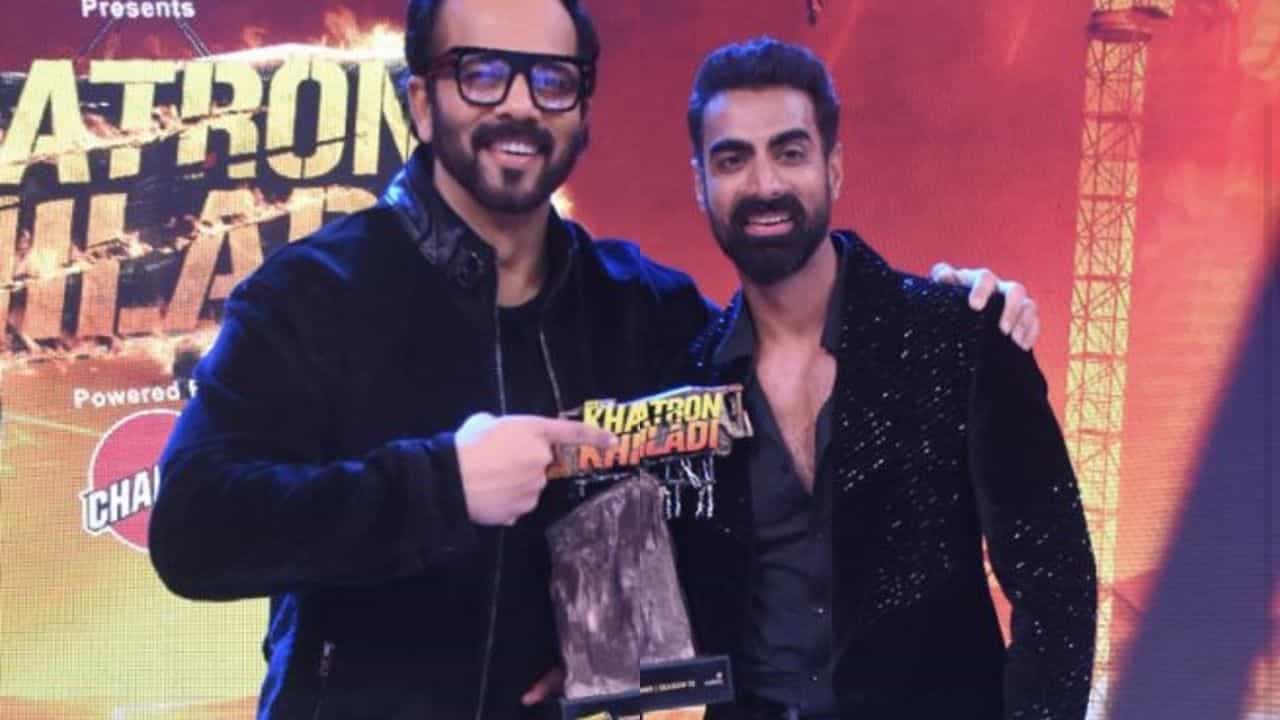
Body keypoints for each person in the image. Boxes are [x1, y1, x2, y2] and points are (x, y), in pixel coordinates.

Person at [147, 2, 1043, 718]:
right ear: (421, 100)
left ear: (581, 109)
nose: (519, 106)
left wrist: (951, 306)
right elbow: (194, 530)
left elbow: (785, 369)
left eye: (552, 80)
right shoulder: (311, 295)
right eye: (482, 72)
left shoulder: (643, 307)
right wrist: (441, 485)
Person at [669, 38, 1098, 720]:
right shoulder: (688, 377)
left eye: (789, 152)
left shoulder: (959, 333)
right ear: (700, 183)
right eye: (732, 159)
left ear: (834, 168)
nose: (764, 185)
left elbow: (1056, 582)